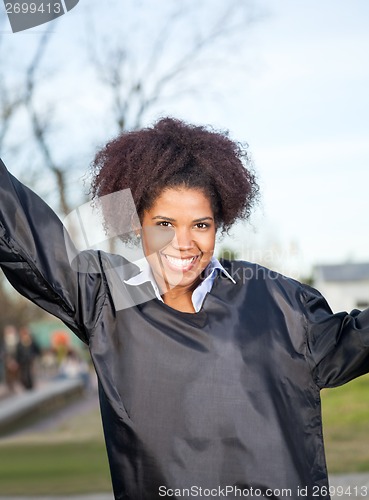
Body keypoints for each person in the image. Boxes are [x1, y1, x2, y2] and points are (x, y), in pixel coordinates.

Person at [0, 117, 369, 500]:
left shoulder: (276, 302)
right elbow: (20, 226)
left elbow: (355, 340)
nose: (183, 242)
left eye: (201, 225)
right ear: (137, 224)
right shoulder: (106, 299)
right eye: (163, 223)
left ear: (218, 224)